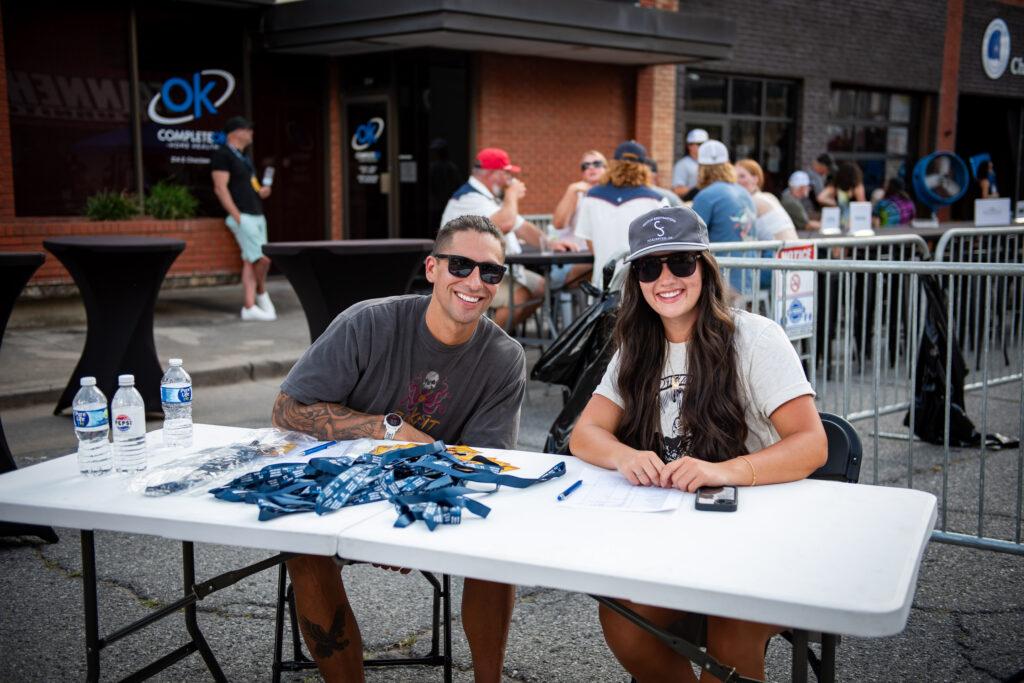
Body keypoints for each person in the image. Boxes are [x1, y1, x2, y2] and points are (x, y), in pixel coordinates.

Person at [569, 205, 827, 682]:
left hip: (761, 536)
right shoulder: (637, 346)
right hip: (679, 538)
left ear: (705, 268)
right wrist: (626, 456)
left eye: (681, 262)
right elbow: (584, 434)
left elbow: (812, 444)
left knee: (731, 624)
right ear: (636, 280)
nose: (666, 278)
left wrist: (724, 470)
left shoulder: (755, 338)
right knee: (623, 620)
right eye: (649, 267)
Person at [272, 215, 526, 683]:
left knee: (497, 546)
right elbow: (287, 410)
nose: (475, 282)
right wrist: (388, 428)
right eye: (460, 265)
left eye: (490, 271)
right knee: (301, 547)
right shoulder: (368, 323)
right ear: (431, 268)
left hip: (429, 491)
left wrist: (408, 516)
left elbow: (483, 465)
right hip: (342, 484)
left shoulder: (503, 357)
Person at [441, 147, 576, 328]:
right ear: (494, 174)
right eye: (507, 174)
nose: (510, 179)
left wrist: (551, 244)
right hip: (465, 273)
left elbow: (522, 227)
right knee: (519, 296)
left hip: (492, 269)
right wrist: (512, 195)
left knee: (542, 287)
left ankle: (506, 333)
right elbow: (505, 223)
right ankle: (482, 341)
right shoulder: (468, 198)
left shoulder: (488, 197)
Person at [574, 140, 668, 290]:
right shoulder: (656, 200)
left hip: (604, 282)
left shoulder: (591, 196)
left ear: (613, 165)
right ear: (644, 167)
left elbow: (590, 242)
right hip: (643, 283)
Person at [211, 116, 275, 321]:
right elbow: (220, 188)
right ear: (235, 132)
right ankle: (261, 294)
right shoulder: (222, 155)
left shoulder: (244, 157)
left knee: (250, 260)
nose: (251, 133)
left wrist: (261, 191)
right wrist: (237, 216)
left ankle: (249, 306)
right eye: (247, 129)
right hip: (243, 216)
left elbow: (251, 184)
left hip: (257, 214)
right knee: (262, 259)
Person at [549, 150, 608, 289]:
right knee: (607, 264)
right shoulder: (577, 193)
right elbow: (558, 224)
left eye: (596, 164)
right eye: (585, 166)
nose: (591, 168)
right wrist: (571, 190)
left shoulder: (611, 196)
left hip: (598, 258)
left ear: (606, 168)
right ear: (582, 172)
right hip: (571, 261)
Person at [735, 158, 798, 241]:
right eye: (734, 177)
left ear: (755, 179)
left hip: (781, 248)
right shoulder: (769, 196)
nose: (737, 180)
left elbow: (738, 232)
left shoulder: (752, 201)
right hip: (795, 246)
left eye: (742, 176)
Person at [818, 161, 866, 230]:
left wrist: (834, 204)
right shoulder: (857, 187)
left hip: (837, 220)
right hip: (853, 220)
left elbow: (820, 198)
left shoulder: (835, 187)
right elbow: (862, 204)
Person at [671, 128, 709, 201]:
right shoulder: (682, 164)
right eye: (698, 144)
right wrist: (699, 188)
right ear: (689, 146)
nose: (698, 147)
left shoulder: (712, 163)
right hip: (692, 203)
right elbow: (677, 190)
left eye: (701, 144)